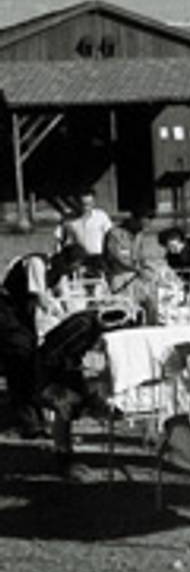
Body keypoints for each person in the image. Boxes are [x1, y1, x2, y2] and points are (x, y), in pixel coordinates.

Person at [0, 245, 88, 439]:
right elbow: (40, 298)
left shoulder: (60, 273)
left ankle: (36, 421)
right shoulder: (36, 264)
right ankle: (28, 423)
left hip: (23, 318)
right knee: (20, 361)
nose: (70, 273)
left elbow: (64, 299)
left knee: (32, 363)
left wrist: (72, 315)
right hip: (7, 313)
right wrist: (60, 315)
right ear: (62, 259)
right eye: (71, 268)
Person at [55, 188, 112, 258]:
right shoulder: (68, 219)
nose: (86, 208)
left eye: (89, 204)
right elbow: (59, 240)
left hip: (98, 259)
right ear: (77, 202)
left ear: (94, 202)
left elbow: (111, 236)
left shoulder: (102, 216)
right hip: (78, 261)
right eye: (83, 204)